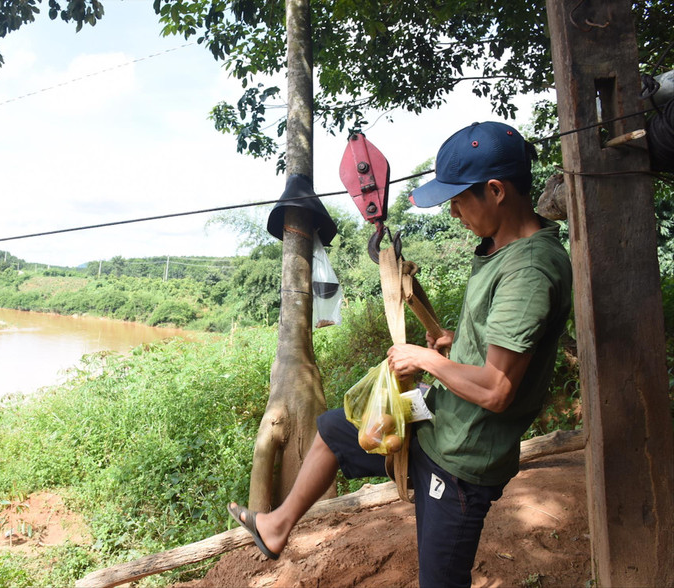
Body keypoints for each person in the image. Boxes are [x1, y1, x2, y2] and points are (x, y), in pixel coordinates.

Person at [227, 121, 573, 587]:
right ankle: (276, 525)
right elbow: (498, 344)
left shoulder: (529, 271)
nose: (453, 211)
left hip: (461, 461)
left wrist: (425, 359)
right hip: (439, 421)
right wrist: (455, 344)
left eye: (458, 198)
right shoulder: (498, 250)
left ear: (495, 190)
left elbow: (497, 389)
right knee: (335, 428)